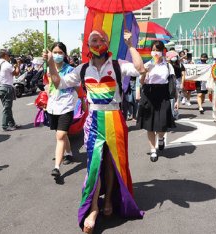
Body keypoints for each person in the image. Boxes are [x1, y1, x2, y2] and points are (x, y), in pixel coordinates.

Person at [43, 29, 144, 233]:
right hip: (94, 121)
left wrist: (131, 45)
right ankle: (94, 208)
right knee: (95, 164)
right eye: (94, 40)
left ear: (108, 42)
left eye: (102, 40)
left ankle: (109, 199)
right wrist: (51, 62)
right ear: (88, 45)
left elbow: (140, 69)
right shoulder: (82, 69)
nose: (98, 43)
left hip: (115, 118)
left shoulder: (118, 65)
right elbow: (58, 83)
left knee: (113, 162)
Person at [137, 41, 175, 162]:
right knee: (149, 125)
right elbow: (141, 82)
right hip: (148, 94)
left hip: (163, 95)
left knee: (162, 124)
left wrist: (177, 99)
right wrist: (145, 72)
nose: (155, 52)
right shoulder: (147, 64)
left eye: (158, 50)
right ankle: (153, 150)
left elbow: (173, 83)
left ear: (163, 51)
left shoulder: (168, 66)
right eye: (153, 49)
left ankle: (161, 138)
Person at [46, 42, 78, 178]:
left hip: (66, 105)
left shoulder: (70, 70)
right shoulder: (49, 69)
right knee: (62, 134)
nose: (57, 55)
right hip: (53, 106)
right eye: (55, 52)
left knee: (59, 136)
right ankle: (69, 153)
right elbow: (48, 85)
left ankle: (57, 168)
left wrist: (83, 101)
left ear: (64, 54)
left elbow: (77, 87)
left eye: (60, 52)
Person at [0, 49, 21, 131]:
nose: (10, 57)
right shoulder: (7, 64)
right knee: (7, 108)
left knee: (7, 107)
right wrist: (18, 65)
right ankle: (5, 125)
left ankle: (12, 123)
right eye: (9, 55)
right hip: (7, 88)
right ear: (5, 55)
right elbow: (16, 74)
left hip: (0, 87)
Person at [167, 50, 184, 122]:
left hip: (177, 81)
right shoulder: (167, 65)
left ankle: (176, 112)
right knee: (171, 98)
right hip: (170, 82)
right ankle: (170, 112)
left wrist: (182, 83)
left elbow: (183, 74)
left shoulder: (180, 64)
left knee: (177, 97)